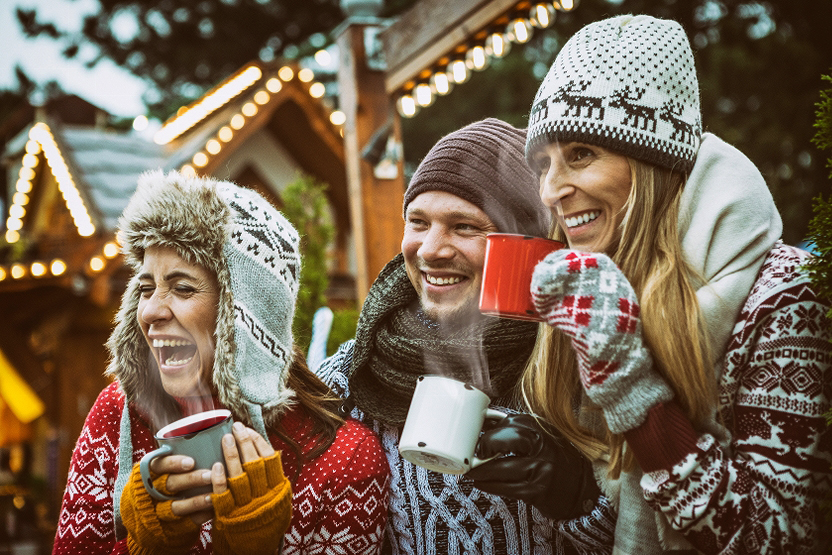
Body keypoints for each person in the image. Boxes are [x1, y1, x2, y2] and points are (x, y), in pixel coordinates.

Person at [521, 14, 832, 554]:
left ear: (652, 162)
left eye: (580, 155)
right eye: (544, 164)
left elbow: (778, 537)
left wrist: (636, 398)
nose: (551, 191)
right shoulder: (597, 295)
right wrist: (565, 494)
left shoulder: (783, 294)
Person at [317, 118, 618, 554]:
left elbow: (667, 536)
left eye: (465, 227)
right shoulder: (355, 369)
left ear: (528, 241)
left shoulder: (582, 359)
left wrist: (579, 500)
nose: (432, 250)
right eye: (417, 222)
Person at [53, 170, 391, 554]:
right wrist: (143, 547)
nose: (149, 312)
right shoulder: (118, 416)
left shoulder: (345, 461)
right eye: (145, 288)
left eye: (182, 287)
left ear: (247, 313)